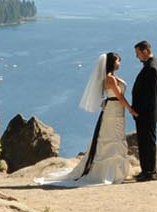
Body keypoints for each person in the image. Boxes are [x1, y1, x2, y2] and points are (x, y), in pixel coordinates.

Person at [36, 52, 138, 187]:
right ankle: (109, 172)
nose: (120, 63)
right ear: (112, 63)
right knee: (112, 138)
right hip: (113, 110)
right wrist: (131, 109)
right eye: (118, 61)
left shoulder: (111, 77)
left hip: (116, 110)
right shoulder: (110, 79)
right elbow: (120, 96)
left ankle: (115, 172)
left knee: (115, 137)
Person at [131, 40, 157, 182]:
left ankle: (150, 172)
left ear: (145, 51)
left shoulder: (152, 68)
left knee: (148, 143)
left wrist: (138, 112)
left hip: (146, 114)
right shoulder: (150, 66)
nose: (137, 57)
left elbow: (149, 96)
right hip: (143, 113)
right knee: (143, 143)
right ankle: (146, 170)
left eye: (138, 53)